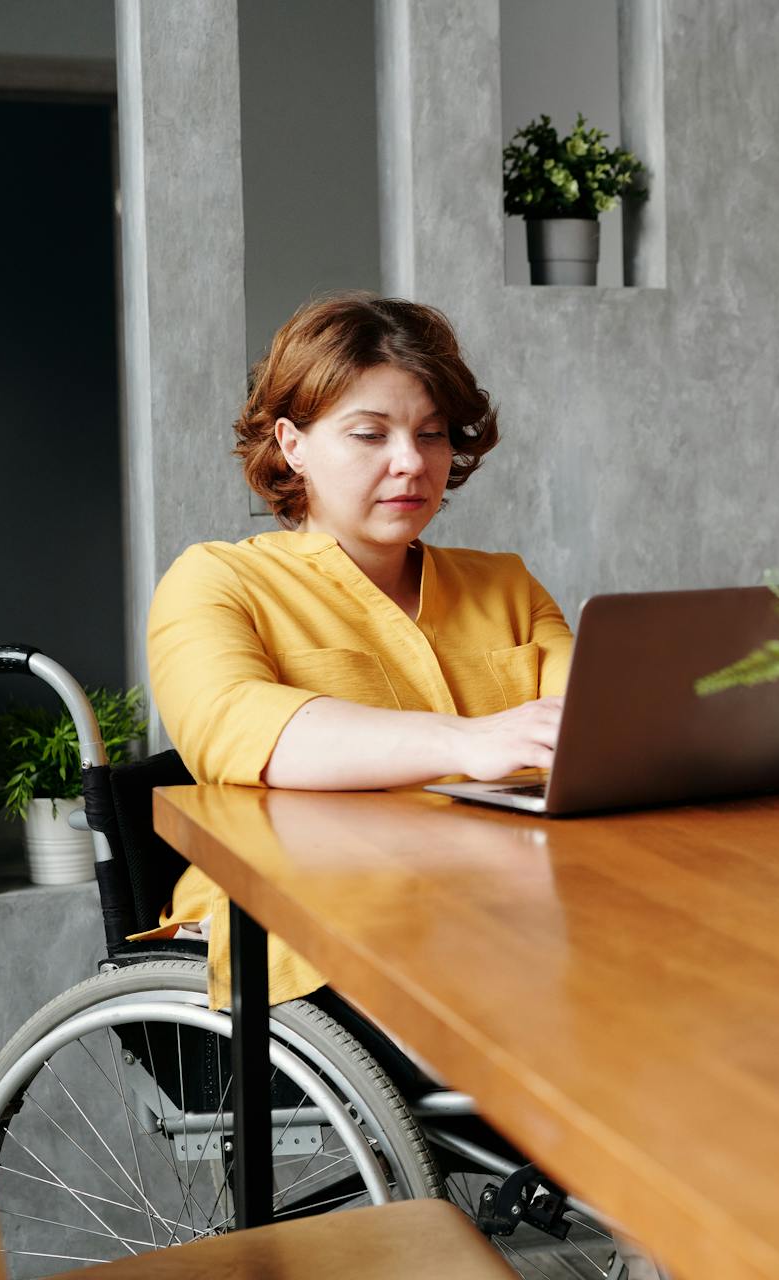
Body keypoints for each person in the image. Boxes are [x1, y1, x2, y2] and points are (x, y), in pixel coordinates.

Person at [135, 292, 572, 1006]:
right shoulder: (218, 581)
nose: (411, 462)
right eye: (371, 435)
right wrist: (466, 742)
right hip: (312, 943)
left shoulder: (506, 585)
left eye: (431, 435)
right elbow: (240, 728)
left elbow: (602, 720)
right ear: (292, 443)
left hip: (507, 914)